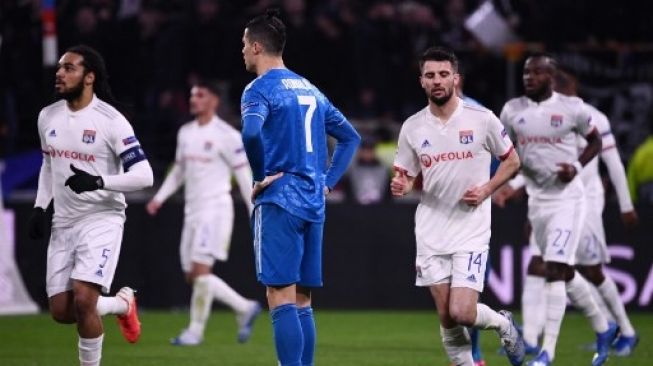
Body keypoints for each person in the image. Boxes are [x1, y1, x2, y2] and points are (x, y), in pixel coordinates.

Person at [240, 9, 361, 366]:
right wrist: (327, 182)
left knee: (279, 296)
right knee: (303, 300)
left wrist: (260, 174)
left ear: (258, 46)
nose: (242, 51)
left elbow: (249, 133)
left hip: (280, 200)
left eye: (244, 45)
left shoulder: (259, 89)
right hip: (313, 202)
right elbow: (350, 138)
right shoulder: (309, 88)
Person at [391, 46, 524, 366]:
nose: (437, 81)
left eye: (443, 74)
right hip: (430, 229)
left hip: (470, 228)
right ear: (421, 81)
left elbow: (513, 161)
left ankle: (504, 324)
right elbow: (406, 175)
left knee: (462, 312)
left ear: (456, 78)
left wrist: (488, 189)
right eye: (430, 75)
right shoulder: (412, 127)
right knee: (445, 316)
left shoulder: (482, 119)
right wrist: (402, 185)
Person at [497, 68, 640, 357]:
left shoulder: (593, 118)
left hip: (583, 201)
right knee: (542, 265)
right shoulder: (542, 117)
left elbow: (612, 163)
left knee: (589, 270)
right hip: (549, 200)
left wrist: (626, 206)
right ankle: (536, 340)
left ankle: (623, 331)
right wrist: (514, 187)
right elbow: (540, 163)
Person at [27, 45, 152, 366]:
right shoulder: (47, 117)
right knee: (61, 311)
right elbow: (48, 165)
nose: (60, 73)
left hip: (102, 218)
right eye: (59, 67)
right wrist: (41, 207)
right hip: (63, 222)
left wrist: (99, 181)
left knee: (84, 300)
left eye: (69, 68)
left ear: (89, 77)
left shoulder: (111, 121)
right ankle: (122, 304)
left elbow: (144, 175)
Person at [146, 81, 262, 346]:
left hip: (216, 209)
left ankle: (195, 332)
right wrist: (160, 198)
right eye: (192, 95)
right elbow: (178, 171)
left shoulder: (227, 135)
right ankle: (244, 307)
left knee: (200, 272)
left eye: (200, 95)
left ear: (214, 101)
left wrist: (254, 210)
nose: (194, 99)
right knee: (193, 275)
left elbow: (244, 176)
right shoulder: (185, 132)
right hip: (192, 210)